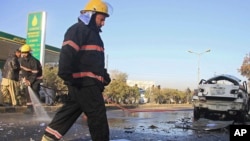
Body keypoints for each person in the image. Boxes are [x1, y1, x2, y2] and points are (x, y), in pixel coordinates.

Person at [41, 0, 112, 140]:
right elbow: (68, 52)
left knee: (69, 112)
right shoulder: (79, 30)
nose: (103, 23)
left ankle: (48, 138)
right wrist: (67, 75)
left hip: (82, 83)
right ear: (91, 15)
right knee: (98, 117)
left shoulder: (94, 35)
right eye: (101, 19)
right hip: (85, 83)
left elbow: (91, 61)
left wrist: (103, 76)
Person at [19, 44, 43, 114]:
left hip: (36, 79)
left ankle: (38, 109)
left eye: (25, 52)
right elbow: (24, 71)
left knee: (34, 91)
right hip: (28, 79)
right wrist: (24, 79)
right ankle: (29, 109)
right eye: (22, 52)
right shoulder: (22, 60)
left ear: (28, 52)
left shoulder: (34, 61)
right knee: (27, 93)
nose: (23, 54)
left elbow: (35, 73)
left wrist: (30, 81)